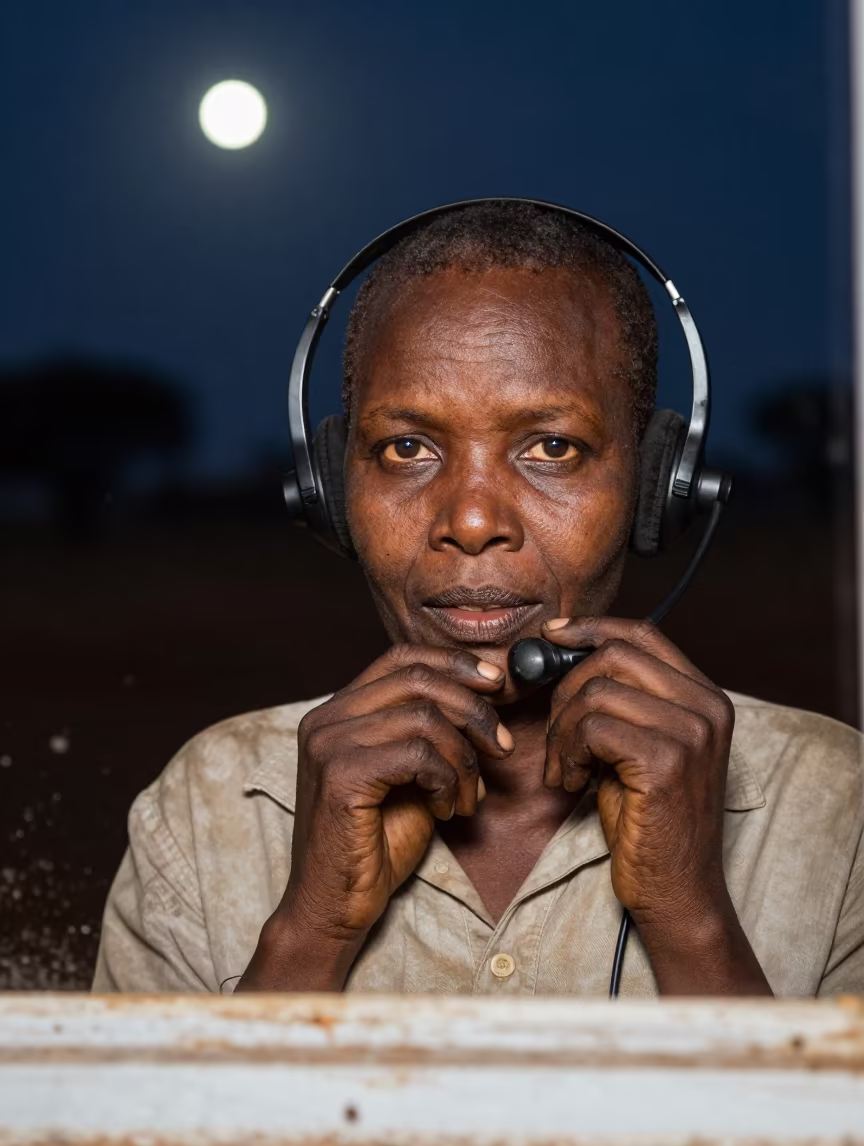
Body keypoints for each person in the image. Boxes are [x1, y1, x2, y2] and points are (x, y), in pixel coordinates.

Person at [93, 202, 863, 997]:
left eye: (551, 448)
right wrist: (311, 929)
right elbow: (157, 1127)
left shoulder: (838, 808)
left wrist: (691, 920)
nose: (470, 521)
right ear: (328, 490)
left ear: (657, 486)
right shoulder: (207, 804)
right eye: (407, 448)